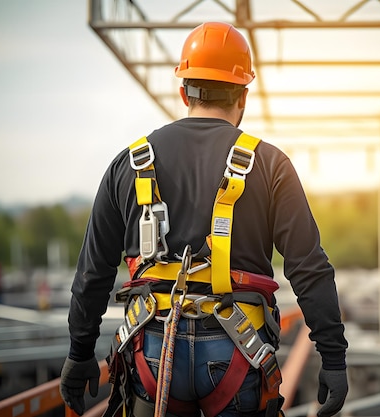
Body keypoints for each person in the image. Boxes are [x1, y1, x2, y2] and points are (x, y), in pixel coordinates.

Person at [60, 21, 348, 417]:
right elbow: (310, 268)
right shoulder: (270, 165)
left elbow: (92, 272)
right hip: (238, 350)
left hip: (152, 353)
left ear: (183, 92)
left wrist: (79, 353)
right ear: (243, 95)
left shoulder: (129, 164)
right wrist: (333, 357)